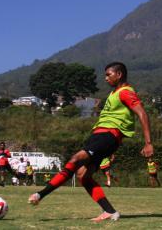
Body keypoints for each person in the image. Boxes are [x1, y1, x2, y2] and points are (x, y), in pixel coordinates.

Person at [28, 62, 154, 222]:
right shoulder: (114, 93)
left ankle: (41, 194)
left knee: (75, 159)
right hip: (101, 137)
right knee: (83, 175)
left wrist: (148, 142)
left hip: (107, 136)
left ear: (119, 74)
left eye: (109, 74)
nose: (106, 78)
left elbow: (142, 114)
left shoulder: (125, 92)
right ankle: (109, 211)